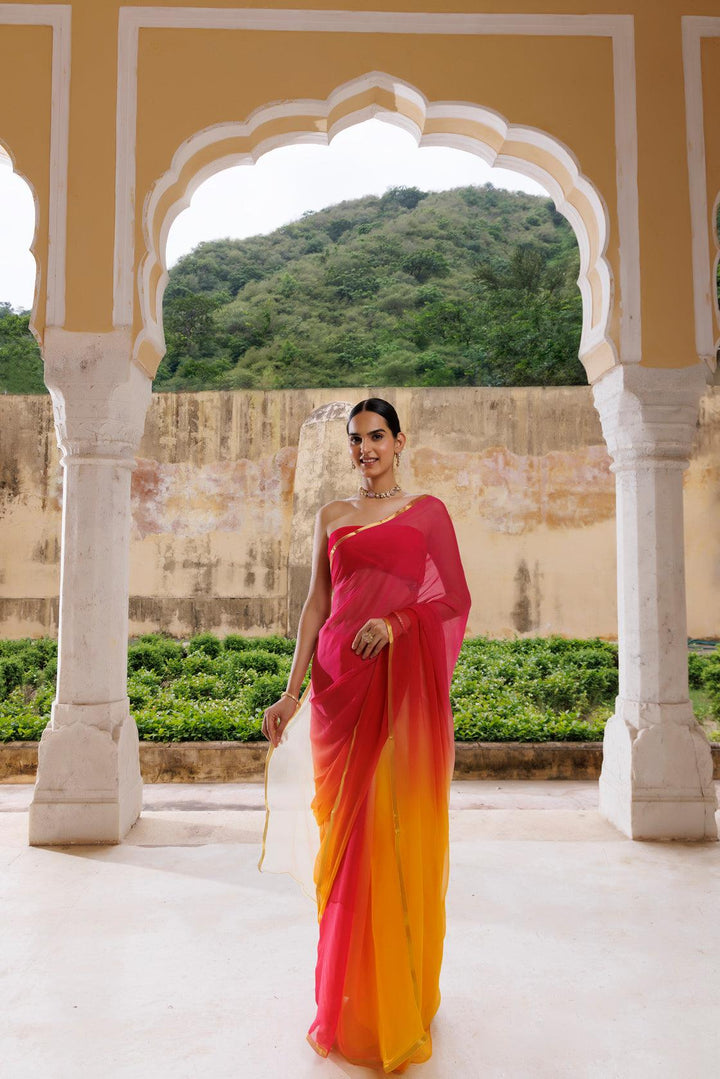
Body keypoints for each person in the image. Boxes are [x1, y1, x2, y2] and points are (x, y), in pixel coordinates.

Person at [259, 398, 471, 1074]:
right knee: (346, 848)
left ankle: (397, 995)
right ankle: (349, 996)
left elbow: (452, 599)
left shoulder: (429, 513)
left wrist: (400, 623)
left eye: (377, 436)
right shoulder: (332, 516)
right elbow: (316, 606)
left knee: (393, 837)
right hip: (337, 689)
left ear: (400, 440)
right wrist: (292, 693)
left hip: (396, 695)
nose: (365, 448)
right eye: (356, 439)